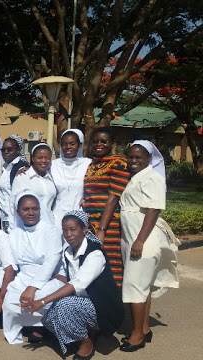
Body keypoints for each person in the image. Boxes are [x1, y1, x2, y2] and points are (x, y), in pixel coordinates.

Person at [25, 211, 124, 359]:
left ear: (84, 230)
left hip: (103, 308)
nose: (68, 234)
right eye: (65, 230)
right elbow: (74, 277)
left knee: (63, 306)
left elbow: (77, 283)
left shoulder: (94, 254)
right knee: (49, 317)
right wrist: (57, 277)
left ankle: (86, 342)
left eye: (73, 229)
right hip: (84, 301)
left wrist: (43, 301)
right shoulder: (69, 252)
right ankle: (82, 333)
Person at [118, 141, 179, 352]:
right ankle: (143, 328)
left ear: (148, 159)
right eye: (131, 157)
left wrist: (140, 240)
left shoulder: (152, 178)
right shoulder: (136, 177)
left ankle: (136, 336)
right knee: (142, 285)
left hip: (142, 238)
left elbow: (153, 210)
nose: (133, 161)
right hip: (131, 237)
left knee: (135, 286)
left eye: (138, 157)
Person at [2, 193, 64, 344]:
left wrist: (32, 287)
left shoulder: (51, 231)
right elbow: (11, 265)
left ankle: (45, 327)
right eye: (26, 209)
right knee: (9, 303)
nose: (31, 213)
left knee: (40, 297)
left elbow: (51, 262)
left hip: (50, 276)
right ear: (18, 212)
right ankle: (35, 325)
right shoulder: (14, 234)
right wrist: (0, 288)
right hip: (23, 277)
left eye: (35, 209)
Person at [83, 127, 130, 287]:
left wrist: (102, 230)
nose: (99, 144)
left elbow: (113, 197)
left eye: (104, 141)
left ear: (112, 144)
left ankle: (117, 307)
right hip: (90, 224)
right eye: (95, 141)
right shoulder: (92, 164)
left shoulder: (119, 163)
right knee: (94, 264)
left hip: (109, 224)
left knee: (111, 263)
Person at [51, 129, 92, 228]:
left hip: (79, 213)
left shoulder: (88, 164)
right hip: (57, 215)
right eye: (65, 144)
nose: (68, 147)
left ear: (79, 145)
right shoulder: (53, 165)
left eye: (72, 144)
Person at [11, 143, 57, 224]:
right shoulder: (22, 177)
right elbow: (13, 205)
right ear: (33, 158)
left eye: (47, 158)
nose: (44, 161)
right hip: (29, 227)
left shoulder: (52, 177)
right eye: (40, 158)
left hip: (50, 225)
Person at [0, 135, 30, 232]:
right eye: (3, 150)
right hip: (4, 215)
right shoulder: (5, 167)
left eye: (10, 149)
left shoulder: (21, 168)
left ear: (18, 150)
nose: (6, 152)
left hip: (15, 217)